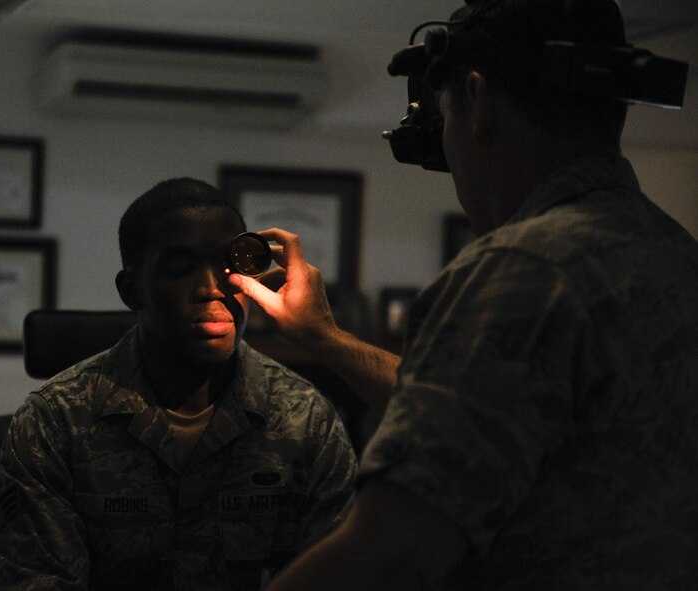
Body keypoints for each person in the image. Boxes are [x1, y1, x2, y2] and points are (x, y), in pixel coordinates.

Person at [229, 0, 698, 589]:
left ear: (476, 101)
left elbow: (389, 555)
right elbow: (486, 410)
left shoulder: (522, 270)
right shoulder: (676, 256)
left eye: (444, 117)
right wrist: (326, 340)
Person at [0, 178, 357, 590]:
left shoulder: (304, 418)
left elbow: (347, 574)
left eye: (229, 265)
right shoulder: (55, 421)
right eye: (180, 268)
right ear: (131, 291)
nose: (210, 287)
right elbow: (30, 580)